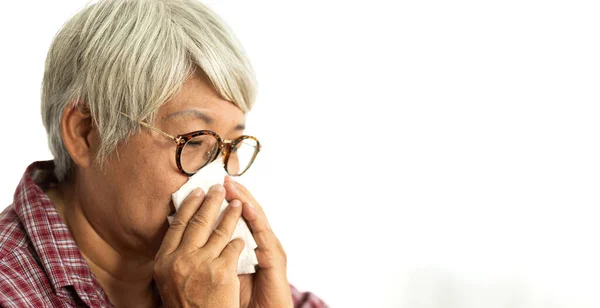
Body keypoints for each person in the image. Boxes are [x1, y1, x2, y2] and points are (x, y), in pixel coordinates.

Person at [0, 0, 326, 307]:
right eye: (195, 141)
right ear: (86, 133)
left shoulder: (245, 288)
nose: (220, 183)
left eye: (232, 146)